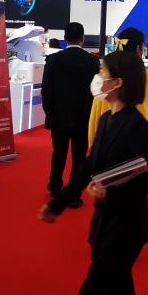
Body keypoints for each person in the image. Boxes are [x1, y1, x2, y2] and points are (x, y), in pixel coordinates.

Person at [39, 50, 148, 295]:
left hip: (126, 228)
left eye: (102, 73)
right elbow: (89, 165)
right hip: (104, 224)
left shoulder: (135, 124)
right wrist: (59, 203)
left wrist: (113, 191)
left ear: (117, 83)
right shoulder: (107, 118)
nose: (97, 78)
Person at [42, 22, 99, 205]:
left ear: (65, 38)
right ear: (82, 39)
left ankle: (55, 186)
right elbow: (97, 91)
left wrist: (50, 112)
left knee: (58, 153)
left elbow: (46, 91)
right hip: (83, 117)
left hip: (59, 117)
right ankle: (74, 195)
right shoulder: (93, 62)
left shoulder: (53, 60)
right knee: (79, 156)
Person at [88, 28, 148, 152]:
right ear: (139, 48)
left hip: (107, 139)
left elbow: (96, 111)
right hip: (139, 138)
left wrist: (92, 142)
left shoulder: (106, 75)